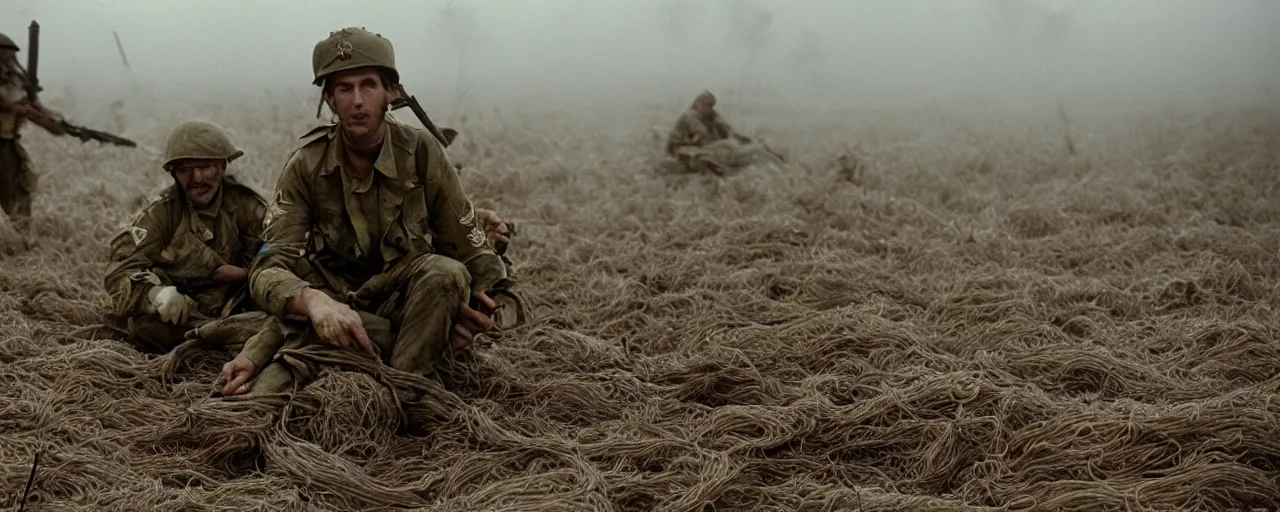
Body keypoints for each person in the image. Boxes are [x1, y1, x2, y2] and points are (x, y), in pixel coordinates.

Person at [226, 27, 523, 397]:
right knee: (258, 396)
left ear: (391, 93)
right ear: (330, 100)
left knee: (446, 273)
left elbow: (468, 247)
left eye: (368, 86)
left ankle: (401, 395)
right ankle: (365, 359)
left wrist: (487, 308)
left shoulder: (422, 152)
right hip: (336, 306)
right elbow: (267, 267)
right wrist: (315, 303)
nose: (357, 101)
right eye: (344, 89)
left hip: (406, 300)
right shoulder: (306, 165)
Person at [103, 120, 272, 354]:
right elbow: (119, 270)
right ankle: (222, 337)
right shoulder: (162, 213)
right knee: (149, 329)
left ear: (222, 167)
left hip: (240, 305)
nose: (197, 179)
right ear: (174, 174)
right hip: (181, 314)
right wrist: (154, 294)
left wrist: (250, 276)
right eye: (185, 170)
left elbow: (281, 253)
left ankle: (226, 336)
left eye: (206, 168)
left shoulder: (248, 207)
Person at [0, 31, 66, 229]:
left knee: (19, 192)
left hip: (6, 145)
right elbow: (12, 103)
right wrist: (16, 107)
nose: (11, 60)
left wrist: (57, 124)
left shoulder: (16, 81)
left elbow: (32, 107)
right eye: (6, 55)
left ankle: (22, 239)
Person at [664, 90, 781, 175]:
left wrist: (737, 136)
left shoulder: (711, 114)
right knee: (729, 151)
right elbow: (673, 145)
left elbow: (726, 129)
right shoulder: (687, 118)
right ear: (698, 104)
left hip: (712, 148)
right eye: (707, 105)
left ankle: (774, 159)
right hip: (695, 153)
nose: (711, 108)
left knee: (747, 147)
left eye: (712, 105)